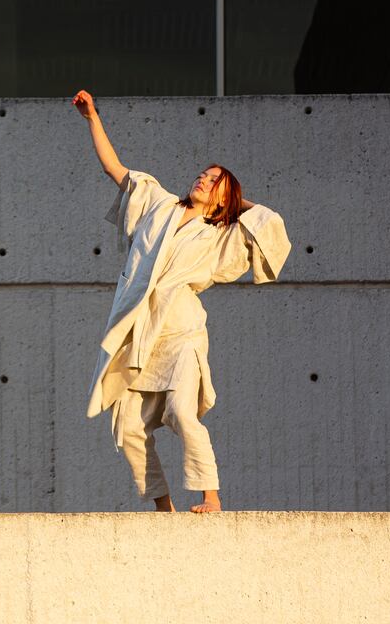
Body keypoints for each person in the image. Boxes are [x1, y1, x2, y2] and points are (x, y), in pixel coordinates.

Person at [72, 89, 291, 514]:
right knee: (129, 426)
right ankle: (164, 507)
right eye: (203, 174)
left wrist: (231, 199)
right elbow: (114, 168)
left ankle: (210, 497)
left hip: (182, 331)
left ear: (223, 198)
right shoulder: (158, 204)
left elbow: (269, 223)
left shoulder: (219, 235)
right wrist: (92, 118)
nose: (202, 180)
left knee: (180, 411)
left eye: (213, 181)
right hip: (143, 331)